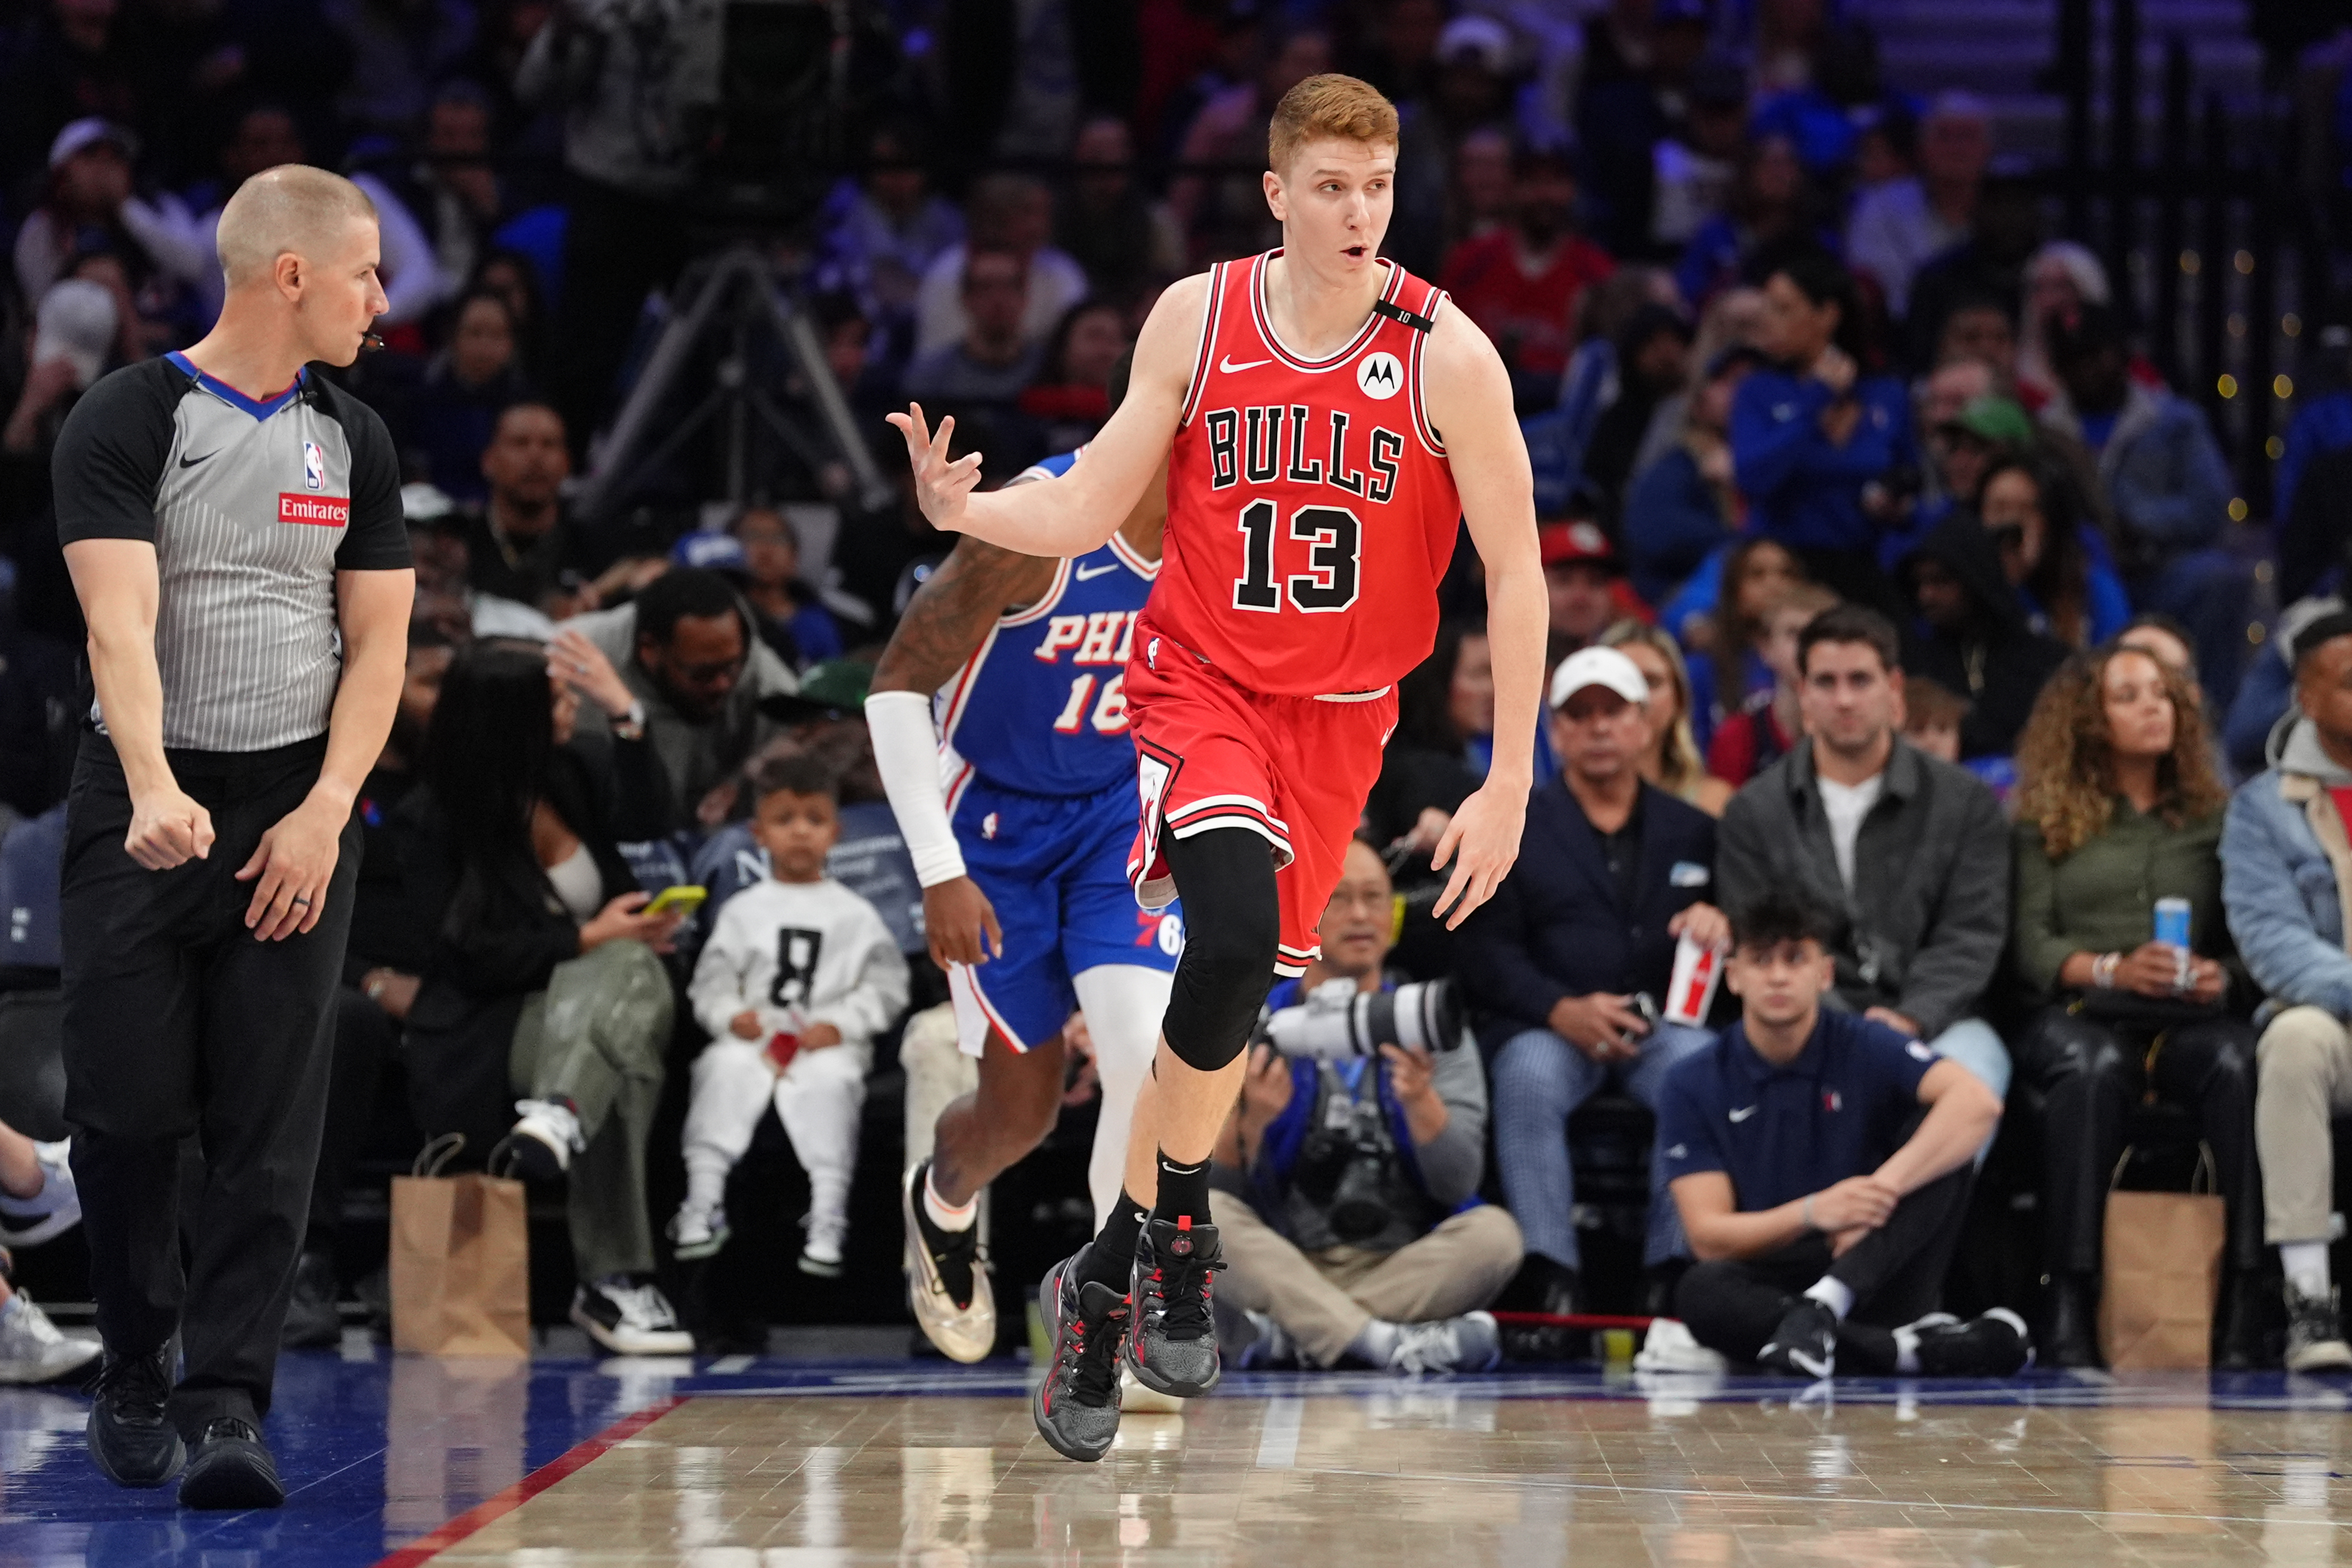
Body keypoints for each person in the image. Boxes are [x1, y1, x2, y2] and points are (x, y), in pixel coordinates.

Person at [886, 72, 1544, 1463]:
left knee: (1226, 1000)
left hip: (1343, 719)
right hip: (1197, 686)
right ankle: (1168, 1240)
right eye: (1328, 186)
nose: (1356, 211)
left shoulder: (1448, 353)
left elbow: (1518, 569)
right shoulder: (1200, 313)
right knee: (1229, 936)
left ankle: (1107, 1275)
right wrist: (972, 507)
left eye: (1375, 186)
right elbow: (1086, 491)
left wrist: (1510, 775)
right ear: (1276, 193)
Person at [54, 167, 411, 1507]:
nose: (385, 298)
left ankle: (224, 1403)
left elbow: (376, 650)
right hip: (139, 793)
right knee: (129, 1110)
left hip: (292, 808)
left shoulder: (355, 437)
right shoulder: (133, 415)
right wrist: (149, 783)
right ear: (292, 274)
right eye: (368, 272)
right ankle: (135, 1360)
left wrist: (324, 812)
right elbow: (118, 622)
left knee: (270, 1123)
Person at [870, 435, 1182, 1369]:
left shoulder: (1223, 527)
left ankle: (1107, 1320)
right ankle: (944, 1198)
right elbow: (893, 688)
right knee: (1023, 1112)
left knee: (1142, 1059)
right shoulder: (1030, 527)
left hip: (1117, 813)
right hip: (995, 827)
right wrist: (937, 867)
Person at [398, 637, 691, 1358]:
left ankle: (560, 1116)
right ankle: (613, 1280)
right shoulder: (431, 818)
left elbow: (653, 817)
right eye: (556, 700)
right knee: (624, 1003)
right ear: (511, 717)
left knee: (623, 1004)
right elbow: (461, 957)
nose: (571, 709)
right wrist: (586, 939)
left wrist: (626, 711)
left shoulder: (575, 770)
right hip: (495, 1027)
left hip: (586, 1020)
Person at [2009, 644, 2263, 1367]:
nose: (2153, 705)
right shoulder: (2041, 819)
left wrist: (2223, 977)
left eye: (2161, 692)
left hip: (2190, 1016)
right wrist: (2113, 967)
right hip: (2083, 1012)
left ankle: (2245, 1297)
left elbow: (2253, 937)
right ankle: (2070, 1296)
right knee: (2092, 1070)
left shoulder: (2217, 818)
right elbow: (2028, 946)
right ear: (2089, 719)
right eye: (2128, 695)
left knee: (2237, 1060)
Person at [1659, 890, 2026, 1377]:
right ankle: (1903, 1352)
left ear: (1824, 973)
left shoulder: (1865, 1041)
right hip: (1780, 1271)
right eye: (1761, 959)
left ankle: (1826, 1310)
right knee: (1700, 1291)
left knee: (1943, 1135)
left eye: (1795, 958)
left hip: (1874, 1258)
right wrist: (1814, 1211)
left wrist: (1877, 1194)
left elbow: (1978, 1104)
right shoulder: (1691, 1079)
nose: (1777, 976)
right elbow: (1708, 1235)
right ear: (1733, 976)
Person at [1460, 648, 1727, 1317]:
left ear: (1645, 724)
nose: (1600, 727)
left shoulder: (1695, 830)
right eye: (1581, 715)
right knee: (1527, 1074)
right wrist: (1557, 1008)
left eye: (1614, 712)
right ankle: (1552, 1272)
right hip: (1550, 1025)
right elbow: (1487, 951)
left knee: (1695, 1065)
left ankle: (1672, 1269)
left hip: (1659, 1026)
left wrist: (1719, 921)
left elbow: (1732, 932)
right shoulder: (1515, 825)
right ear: (1556, 731)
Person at [1211, 837, 1519, 1373]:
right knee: (1203, 1219)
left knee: (1495, 1235)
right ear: (1303, 909)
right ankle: (1385, 1341)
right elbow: (1220, 1190)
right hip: (1284, 1257)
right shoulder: (1254, 1025)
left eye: (1375, 898)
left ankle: (1301, 1336)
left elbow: (1458, 1184)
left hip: (1402, 1264)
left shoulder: (1428, 1022)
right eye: (1338, 897)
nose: (1360, 915)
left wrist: (1422, 1105)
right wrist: (1251, 1123)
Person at [1716, 605, 2013, 1103]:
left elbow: (1970, 934)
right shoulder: (1753, 810)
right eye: (1826, 683)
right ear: (1803, 695)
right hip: (1802, 1025)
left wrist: (1910, 1018)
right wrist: (1854, 1031)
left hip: (1940, 1023)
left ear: (1893, 688)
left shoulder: (1965, 802)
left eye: (1860, 680)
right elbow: (1759, 936)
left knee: (1968, 1092)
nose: (1844, 699)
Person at [283, 624, 455, 1347]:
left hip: (449, 982)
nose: (441, 703)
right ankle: (306, 1258)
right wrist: (375, 981)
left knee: (477, 1021)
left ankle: (423, 1270)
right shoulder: (318, 778)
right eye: (428, 684)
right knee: (345, 1021)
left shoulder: (460, 788)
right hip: (341, 979)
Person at [677, 753, 907, 1278]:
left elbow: (884, 986)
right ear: (759, 834)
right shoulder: (742, 910)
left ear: (836, 832)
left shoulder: (857, 914)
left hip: (824, 1043)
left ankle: (828, 1210)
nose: (800, 833)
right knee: (721, 1071)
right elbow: (711, 982)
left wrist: (844, 1024)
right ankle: (702, 1198)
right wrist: (731, 1016)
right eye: (784, 821)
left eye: (814, 820)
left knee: (832, 1085)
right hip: (754, 1038)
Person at [2221, 610, 2352, 1371]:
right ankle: (2310, 1299)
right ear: (2304, 697)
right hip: (2332, 1021)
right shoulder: (2261, 808)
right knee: (2293, 1040)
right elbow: (2272, 944)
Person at [2041, 305, 2248, 702]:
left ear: (2121, 354)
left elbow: (2210, 507)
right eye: (2073, 359)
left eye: (2095, 355)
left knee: (2218, 578)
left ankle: (2212, 720)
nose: (2086, 369)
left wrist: (2142, 522)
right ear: (2056, 366)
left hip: (2156, 569)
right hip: (2073, 575)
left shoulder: (2174, 421)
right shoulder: (2043, 430)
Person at [1729, 253, 1917, 613]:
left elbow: (1910, 478)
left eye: (1783, 310)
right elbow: (1752, 476)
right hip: (1784, 572)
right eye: (1766, 309)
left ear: (1827, 315)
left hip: (1868, 568)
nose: (1767, 322)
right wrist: (1817, 397)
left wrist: (1896, 503)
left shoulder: (1886, 394)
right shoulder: (1757, 390)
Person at [565, 567, 802, 832]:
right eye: (703, 673)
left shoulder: (754, 665)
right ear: (649, 651)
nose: (723, 684)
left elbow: (814, 729)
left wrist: (748, 777)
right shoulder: (571, 658)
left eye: (731, 668)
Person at [1437, 143, 1616, 412]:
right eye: (1532, 182)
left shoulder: (1596, 272)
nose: (1544, 194)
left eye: (1556, 182)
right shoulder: (1470, 262)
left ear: (1573, 190)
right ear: (1513, 188)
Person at [1900, 514, 2070, 760]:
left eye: (1941, 581)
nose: (1927, 595)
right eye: (1921, 583)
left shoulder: (2046, 661)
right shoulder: (1914, 662)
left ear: (1975, 580)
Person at [1844, 94, 1991, 325]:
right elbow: (1877, 289)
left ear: (1988, 149)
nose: (1956, 149)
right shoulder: (1880, 207)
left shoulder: (2006, 215)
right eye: (1945, 137)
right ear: (1923, 149)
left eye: (1968, 137)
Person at [1978, 453, 2128, 649]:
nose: (2010, 523)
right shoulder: (1966, 592)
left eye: (2025, 509)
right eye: (1999, 508)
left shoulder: (2093, 589)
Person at [1708, 583, 1838, 790]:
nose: (1808, 646)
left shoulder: (1862, 731)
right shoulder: (1736, 737)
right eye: (1794, 633)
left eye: (1821, 634)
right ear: (1765, 648)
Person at [1601, 620, 1734, 815]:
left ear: (1679, 699)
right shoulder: (1558, 810)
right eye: (1622, 681)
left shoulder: (1714, 804)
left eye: (1652, 682)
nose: (1638, 696)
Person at [904, 248, 1047, 406]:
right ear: (966, 298)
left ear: (1026, 296)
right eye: (986, 287)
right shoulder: (928, 378)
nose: (998, 299)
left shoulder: (1049, 372)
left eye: (1009, 286)